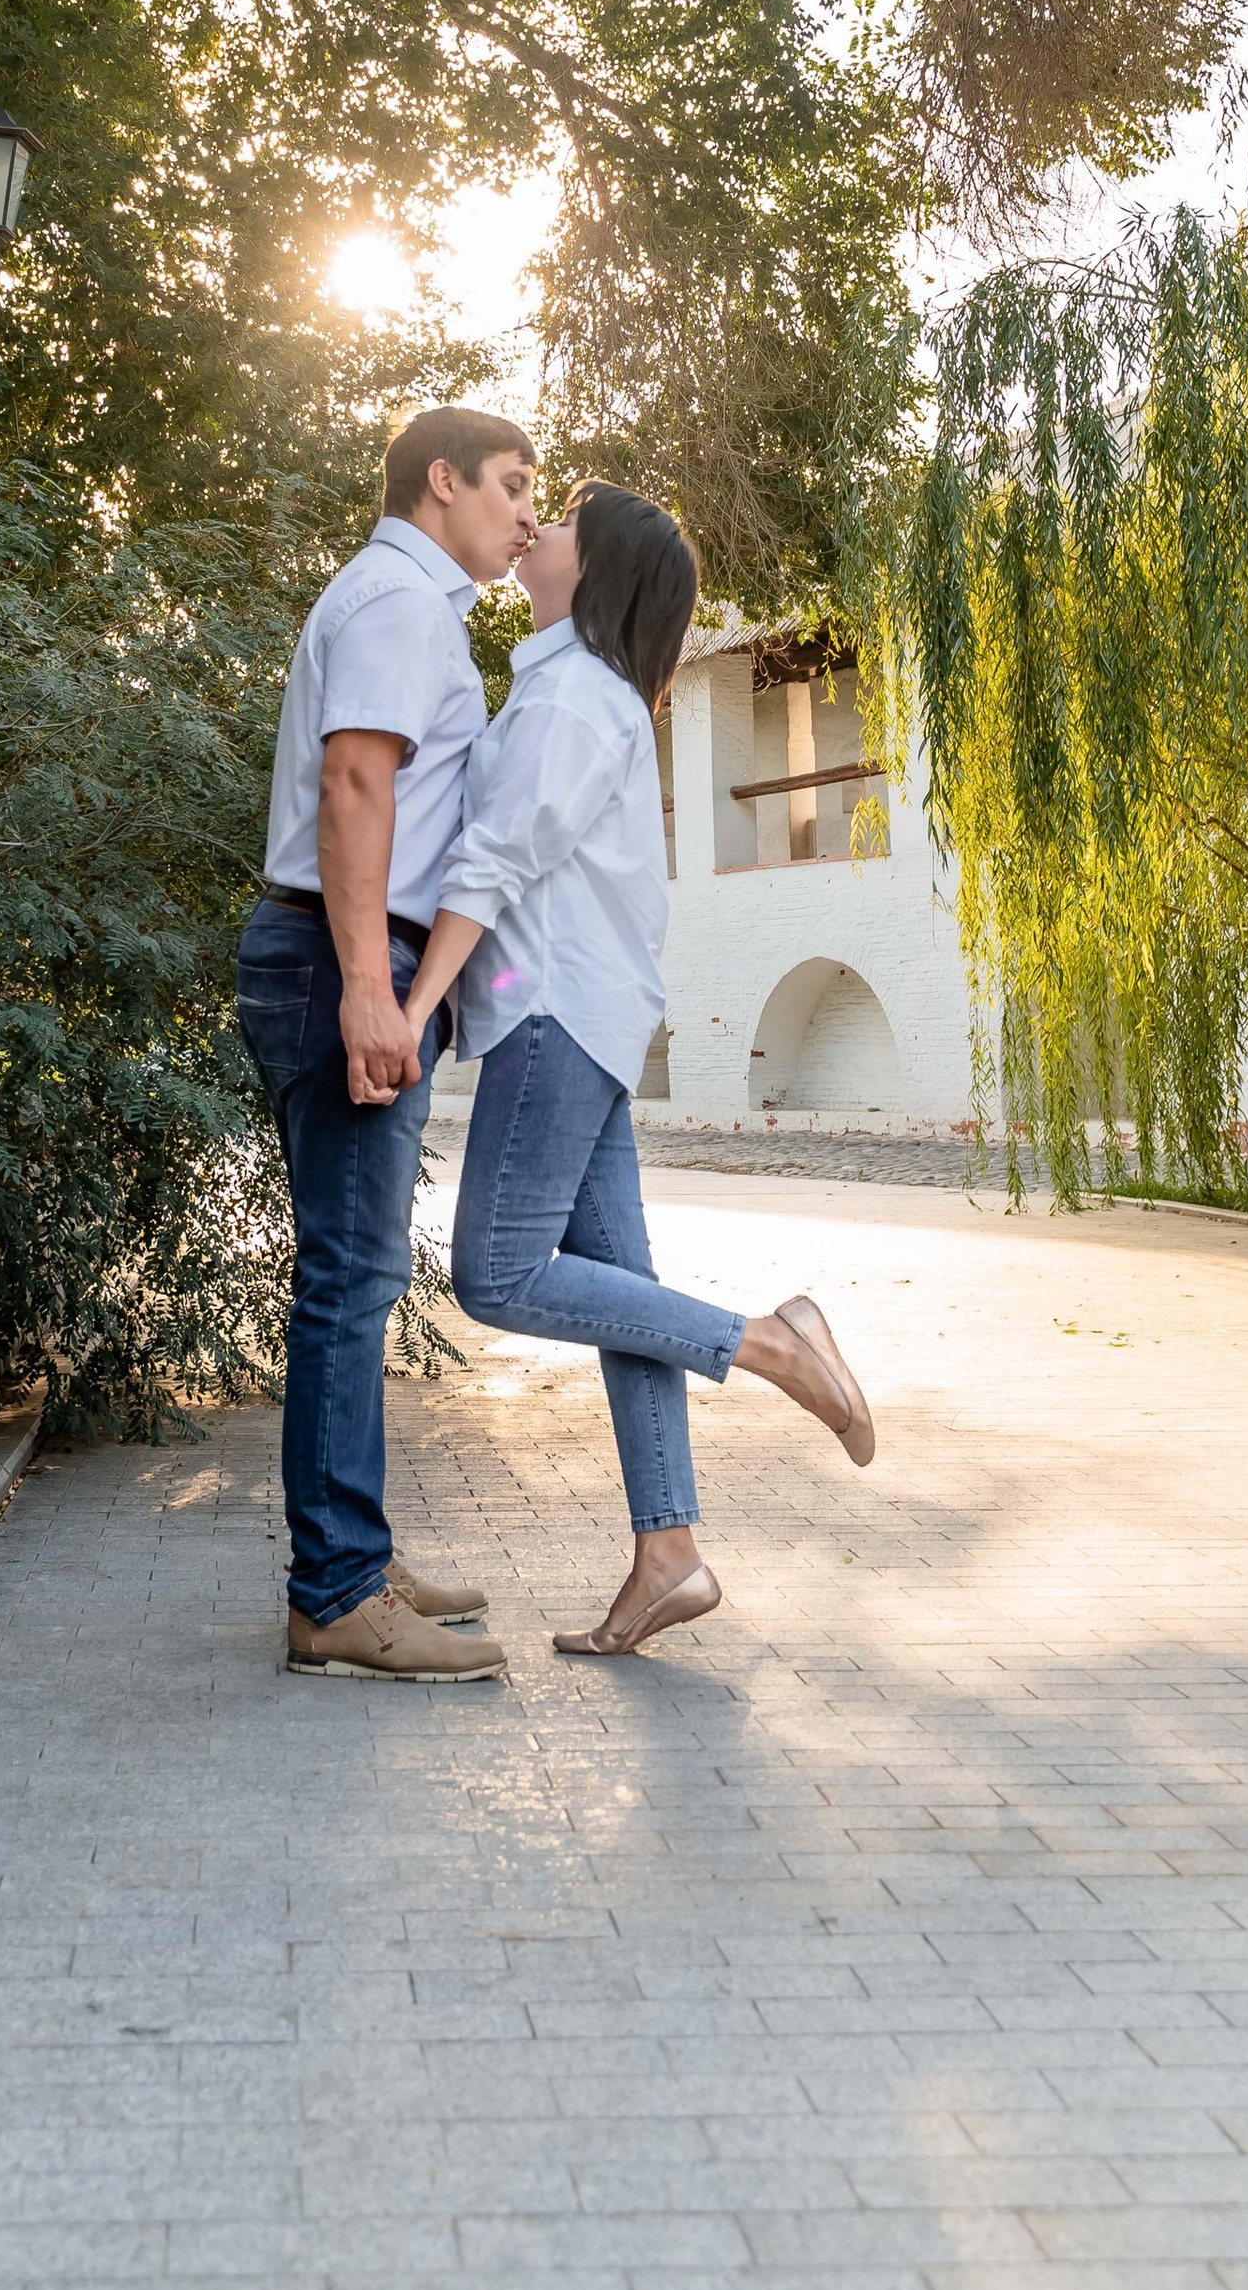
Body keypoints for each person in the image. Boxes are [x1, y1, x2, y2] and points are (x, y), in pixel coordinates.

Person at [401, 484, 876, 1656]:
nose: (538, 530)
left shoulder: (571, 699)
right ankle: (669, 1554)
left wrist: (412, 1001)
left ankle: (765, 1339)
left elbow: (493, 861)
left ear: (595, 567)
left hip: (554, 1017)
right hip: (578, 1015)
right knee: (623, 1299)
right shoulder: (571, 688)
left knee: (496, 1274)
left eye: (559, 519)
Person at [237, 404, 539, 1681]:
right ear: (442, 482)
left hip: (338, 951)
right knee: (350, 1282)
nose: (528, 513)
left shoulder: (398, 602)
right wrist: (371, 982)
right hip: (340, 956)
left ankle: (348, 1552)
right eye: (514, 485)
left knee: (352, 1274)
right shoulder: (400, 604)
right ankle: (338, 1594)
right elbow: (355, 782)